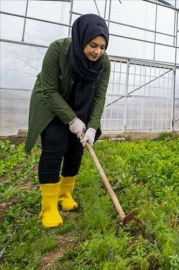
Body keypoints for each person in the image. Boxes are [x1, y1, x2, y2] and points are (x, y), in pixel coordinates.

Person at [25, 14, 111, 228]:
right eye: (93, 45)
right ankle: (49, 207)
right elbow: (49, 90)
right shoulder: (58, 50)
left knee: (76, 148)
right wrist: (71, 120)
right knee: (54, 145)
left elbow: (99, 96)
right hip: (51, 102)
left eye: (102, 47)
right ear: (82, 38)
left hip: (82, 104)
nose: (97, 52)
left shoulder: (103, 63)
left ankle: (65, 195)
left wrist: (91, 126)